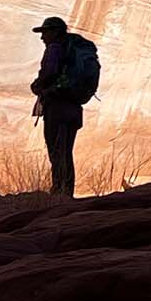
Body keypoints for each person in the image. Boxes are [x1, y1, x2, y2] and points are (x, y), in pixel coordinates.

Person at [29, 16, 100, 197]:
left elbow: (49, 72)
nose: (42, 37)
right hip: (74, 107)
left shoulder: (55, 48)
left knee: (57, 151)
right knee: (66, 152)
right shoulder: (73, 49)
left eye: (45, 32)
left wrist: (37, 85)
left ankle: (59, 192)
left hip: (58, 105)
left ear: (55, 32)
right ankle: (66, 193)